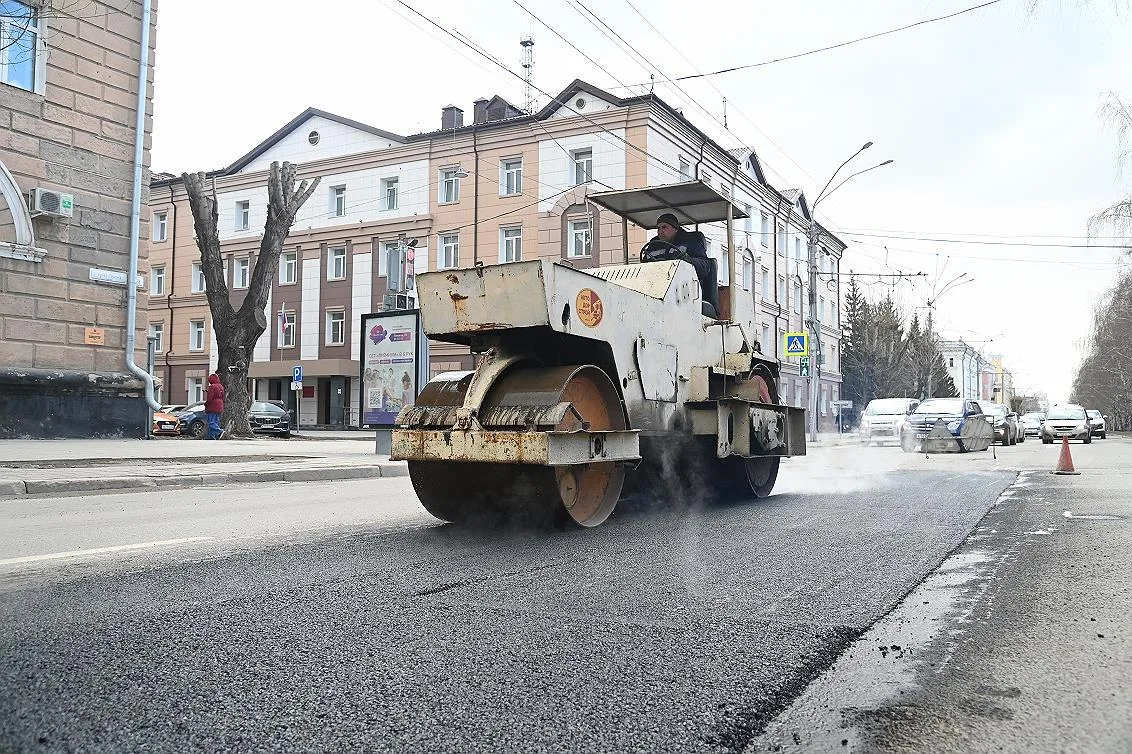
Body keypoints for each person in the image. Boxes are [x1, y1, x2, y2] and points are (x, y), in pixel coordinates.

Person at [642, 212, 716, 316]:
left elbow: (705, 265)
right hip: (657, 289)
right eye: (658, 228)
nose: (660, 231)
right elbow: (644, 267)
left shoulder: (691, 241)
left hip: (687, 292)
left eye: (664, 227)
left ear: (675, 228)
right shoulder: (653, 245)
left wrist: (689, 260)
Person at [205, 373, 225, 440]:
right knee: (216, 421)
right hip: (220, 405)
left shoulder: (212, 387)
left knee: (211, 421)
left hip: (213, 406)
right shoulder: (221, 386)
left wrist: (206, 404)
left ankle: (219, 431)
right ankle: (211, 437)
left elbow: (209, 398)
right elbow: (223, 397)